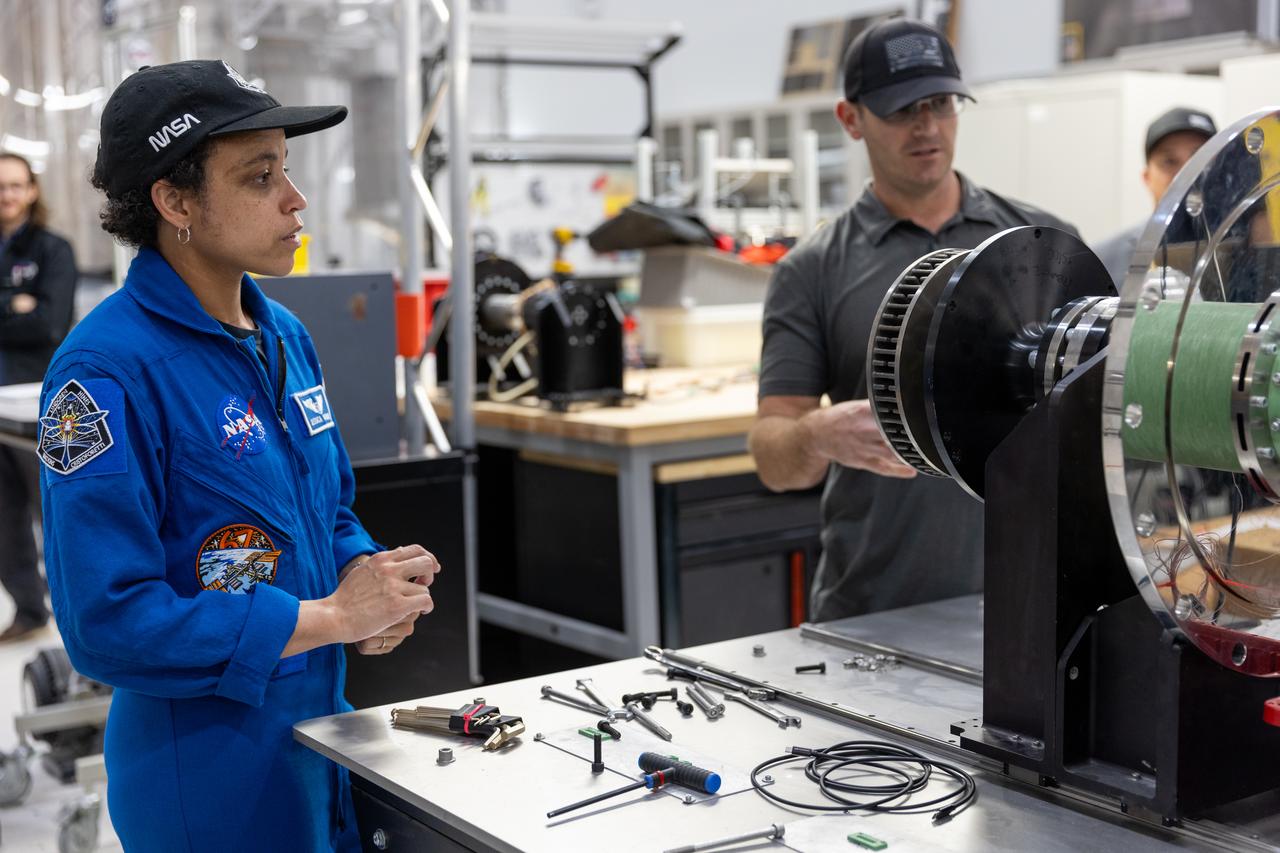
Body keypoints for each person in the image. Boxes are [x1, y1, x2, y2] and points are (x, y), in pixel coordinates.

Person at [38, 60, 440, 852]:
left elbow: (326, 510)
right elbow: (106, 624)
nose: (295, 198)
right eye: (261, 177)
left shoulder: (286, 337)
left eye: (286, 169)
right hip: (208, 774)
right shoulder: (103, 373)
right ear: (175, 202)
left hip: (321, 740)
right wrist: (328, 616)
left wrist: (370, 585)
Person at [748, 18, 1076, 622]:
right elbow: (772, 455)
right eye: (902, 110)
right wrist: (815, 435)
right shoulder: (812, 270)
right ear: (851, 119)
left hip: (1025, 603)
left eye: (941, 104)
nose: (927, 127)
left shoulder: (1041, 246)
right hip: (875, 607)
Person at [0, 151, 77, 641]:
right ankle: (29, 612)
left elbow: (50, 325)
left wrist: (19, 311)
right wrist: (14, 304)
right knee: (4, 518)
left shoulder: (53, 250)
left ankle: (79, 615)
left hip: (39, 405)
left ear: (31, 191)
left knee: (55, 511)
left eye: (14, 185)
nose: (6, 195)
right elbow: (28, 318)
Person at [1092, 107, 1217, 287]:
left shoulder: (1246, 253)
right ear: (1147, 177)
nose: (1186, 173)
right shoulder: (1104, 261)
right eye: (1170, 161)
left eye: (1200, 159)